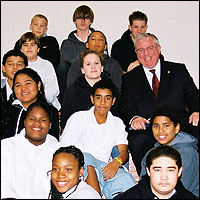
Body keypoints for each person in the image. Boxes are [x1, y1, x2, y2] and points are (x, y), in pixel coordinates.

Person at [119, 33, 199, 175]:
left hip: (178, 123)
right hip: (148, 127)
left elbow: (193, 94)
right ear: (136, 53)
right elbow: (125, 105)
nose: (146, 54)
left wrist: (196, 110)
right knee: (138, 141)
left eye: (150, 48)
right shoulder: (129, 78)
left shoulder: (178, 70)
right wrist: (134, 118)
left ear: (159, 48)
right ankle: (147, 183)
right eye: (140, 50)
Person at [60, 79, 136, 199]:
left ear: (113, 101)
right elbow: (63, 149)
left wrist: (117, 162)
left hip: (104, 168)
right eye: (98, 97)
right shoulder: (79, 118)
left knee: (126, 179)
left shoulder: (117, 123)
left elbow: (123, 152)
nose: (102, 102)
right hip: (81, 165)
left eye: (107, 98)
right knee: (87, 157)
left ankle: (111, 192)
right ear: (92, 99)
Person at [1, 101, 63, 199]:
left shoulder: (60, 151)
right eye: (32, 119)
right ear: (25, 122)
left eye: (43, 120)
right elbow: (3, 183)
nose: (37, 124)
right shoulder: (6, 147)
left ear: (50, 125)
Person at [139, 104, 199, 197]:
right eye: (156, 126)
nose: (160, 130)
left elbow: (183, 190)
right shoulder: (151, 154)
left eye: (166, 126)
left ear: (177, 128)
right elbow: (143, 185)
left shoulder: (188, 153)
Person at [61, 49, 120, 129]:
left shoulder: (112, 88)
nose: (93, 67)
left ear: (102, 68)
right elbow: (66, 120)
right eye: (88, 64)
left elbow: (118, 115)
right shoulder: (73, 90)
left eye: (96, 63)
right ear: (82, 69)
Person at [114, 145, 198, 199]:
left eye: (170, 170)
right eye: (158, 170)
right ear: (148, 171)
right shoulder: (129, 197)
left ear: (179, 172)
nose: (164, 177)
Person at [1, 68, 60, 140]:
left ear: (38, 85)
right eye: (18, 85)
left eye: (28, 83)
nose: (23, 88)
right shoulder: (5, 109)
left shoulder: (50, 111)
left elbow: (53, 142)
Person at [19, 31, 61, 110]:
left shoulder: (46, 65)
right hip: (23, 105)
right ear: (21, 49)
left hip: (46, 104)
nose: (29, 48)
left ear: (38, 49)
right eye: (25, 45)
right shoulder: (18, 66)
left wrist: (37, 102)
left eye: (32, 45)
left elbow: (53, 89)